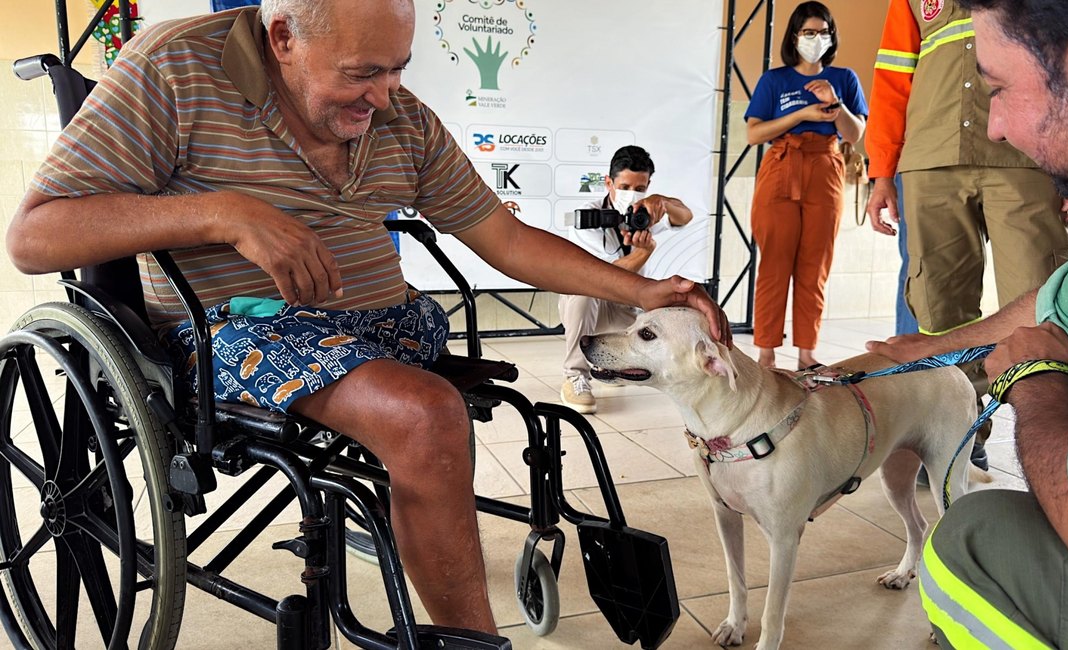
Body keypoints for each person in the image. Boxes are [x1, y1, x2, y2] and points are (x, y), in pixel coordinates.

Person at [4, 0, 730, 635]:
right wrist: (224, 214)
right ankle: (470, 642)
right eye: (361, 74)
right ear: (283, 36)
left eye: (398, 69)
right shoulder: (175, 68)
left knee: (455, 412)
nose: (384, 97)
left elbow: (504, 240)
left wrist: (643, 292)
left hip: (385, 325)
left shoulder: (399, 114)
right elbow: (34, 238)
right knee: (424, 416)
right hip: (236, 332)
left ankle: (420, 519)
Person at [867, 1, 1068, 645]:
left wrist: (1038, 384)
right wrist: (880, 168)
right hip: (933, 146)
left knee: (967, 546)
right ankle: (953, 439)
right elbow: (895, 71)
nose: (995, 119)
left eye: (999, 87)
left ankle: (1042, 454)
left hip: (1027, 166)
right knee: (943, 306)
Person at [744, 1, 867, 370]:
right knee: (775, 264)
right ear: (795, 36)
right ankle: (766, 352)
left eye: (823, 32)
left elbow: (856, 133)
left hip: (826, 166)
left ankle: (807, 354)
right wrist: (802, 114)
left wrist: (836, 103)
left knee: (815, 265)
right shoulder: (775, 80)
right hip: (781, 165)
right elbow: (753, 134)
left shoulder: (844, 78)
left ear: (832, 37)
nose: (816, 39)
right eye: (808, 32)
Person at [558, 145, 692, 413]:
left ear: (648, 185)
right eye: (625, 185)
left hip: (625, 307)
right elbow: (601, 278)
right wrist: (642, 253)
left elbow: (685, 216)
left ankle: (609, 366)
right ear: (609, 183)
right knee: (583, 293)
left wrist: (662, 202)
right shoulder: (587, 218)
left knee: (665, 317)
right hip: (590, 306)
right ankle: (575, 376)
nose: (632, 193)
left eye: (640, 187)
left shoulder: (644, 214)